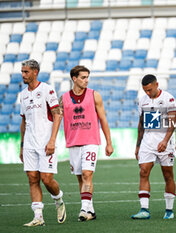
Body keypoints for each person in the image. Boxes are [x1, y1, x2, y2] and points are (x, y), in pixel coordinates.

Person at [59, 65, 114, 221]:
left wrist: (108, 142)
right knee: (80, 177)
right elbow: (56, 120)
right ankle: (91, 210)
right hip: (73, 142)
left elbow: (103, 119)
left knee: (87, 174)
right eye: (83, 77)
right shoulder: (63, 98)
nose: (86, 80)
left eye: (87, 77)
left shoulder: (94, 95)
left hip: (91, 141)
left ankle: (84, 209)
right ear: (74, 79)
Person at [19, 59, 66, 226]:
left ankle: (58, 198)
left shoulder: (47, 89)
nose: (23, 75)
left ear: (35, 72)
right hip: (30, 143)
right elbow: (23, 122)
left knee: (46, 179)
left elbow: (57, 114)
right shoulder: (23, 95)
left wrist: (52, 140)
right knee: (32, 178)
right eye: (22, 72)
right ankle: (38, 216)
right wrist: (22, 145)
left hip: (46, 142)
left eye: (26, 72)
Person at [132, 74, 176, 220]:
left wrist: (165, 141)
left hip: (165, 144)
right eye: (145, 90)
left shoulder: (168, 99)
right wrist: (138, 145)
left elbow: (172, 123)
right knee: (143, 172)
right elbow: (141, 123)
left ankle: (169, 210)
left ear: (156, 84)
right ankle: (144, 209)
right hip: (147, 143)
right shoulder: (143, 101)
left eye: (149, 90)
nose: (147, 93)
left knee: (168, 175)